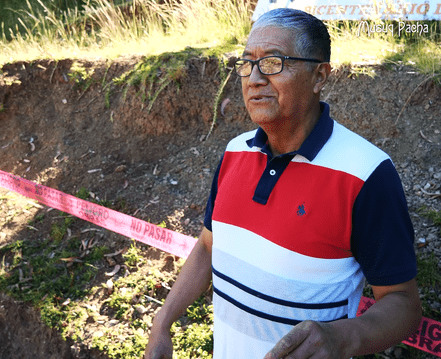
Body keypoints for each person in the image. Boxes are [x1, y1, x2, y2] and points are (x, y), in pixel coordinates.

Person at [145, 8, 422, 359]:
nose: (254, 78)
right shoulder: (234, 152)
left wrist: (342, 337)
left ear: (319, 76)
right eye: (247, 63)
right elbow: (207, 246)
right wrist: (163, 322)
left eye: (274, 62)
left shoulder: (367, 173)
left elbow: (403, 304)